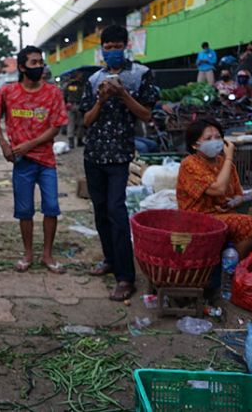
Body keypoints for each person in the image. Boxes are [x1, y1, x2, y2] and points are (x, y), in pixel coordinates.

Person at [81, 25, 160, 301]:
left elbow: (147, 115)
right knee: (101, 210)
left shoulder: (140, 75)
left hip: (119, 155)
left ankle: (125, 278)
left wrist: (123, 94)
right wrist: (101, 100)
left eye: (117, 46)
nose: (113, 51)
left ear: (126, 46)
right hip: (93, 154)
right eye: (108, 47)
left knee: (116, 210)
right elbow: (86, 121)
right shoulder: (93, 79)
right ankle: (110, 259)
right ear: (101, 49)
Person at [0, 45, 68, 273]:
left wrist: (28, 145)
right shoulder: (7, 92)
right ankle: (28, 254)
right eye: (34, 63)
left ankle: (47, 255)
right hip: (21, 163)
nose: (39, 66)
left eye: (40, 62)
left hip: (46, 162)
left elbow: (56, 127)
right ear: (22, 67)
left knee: (51, 207)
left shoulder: (53, 93)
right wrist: (4, 145)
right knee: (24, 211)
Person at [176, 118, 252, 259]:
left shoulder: (225, 164)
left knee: (251, 227)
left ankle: (233, 266)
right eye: (208, 138)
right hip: (196, 219)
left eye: (218, 137)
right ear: (195, 145)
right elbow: (218, 189)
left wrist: (232, 202)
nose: (215, 141)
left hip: (223, 216)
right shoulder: (189, 164)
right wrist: (229, 158)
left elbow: (239, 195)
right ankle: (230, 270)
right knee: (247, 224)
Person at [64, 70, 85, 149]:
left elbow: (64, 95)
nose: (81, 75)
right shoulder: (80, 84)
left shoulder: (69, 84)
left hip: (74, 105)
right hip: (76, 105)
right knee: (78, 124)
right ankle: (75, 141)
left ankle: (73, 141)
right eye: (80, 74)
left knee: (73, 124)